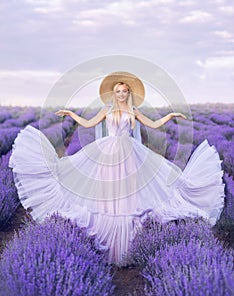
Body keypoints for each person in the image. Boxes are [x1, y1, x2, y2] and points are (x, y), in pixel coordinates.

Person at [9, 71, 225, 266]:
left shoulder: (133, 110)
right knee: (107, 192)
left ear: (128, 93)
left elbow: (153, 125)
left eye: (124, 91)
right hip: (107, 151)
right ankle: (108, 240)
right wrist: (71, 114)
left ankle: (128, 243)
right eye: (118, 91)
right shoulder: (106, 109)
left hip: (130, 153)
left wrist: (170, 116)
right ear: (113, 93)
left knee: (128, 194)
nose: (121, 94)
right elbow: (87, 124)